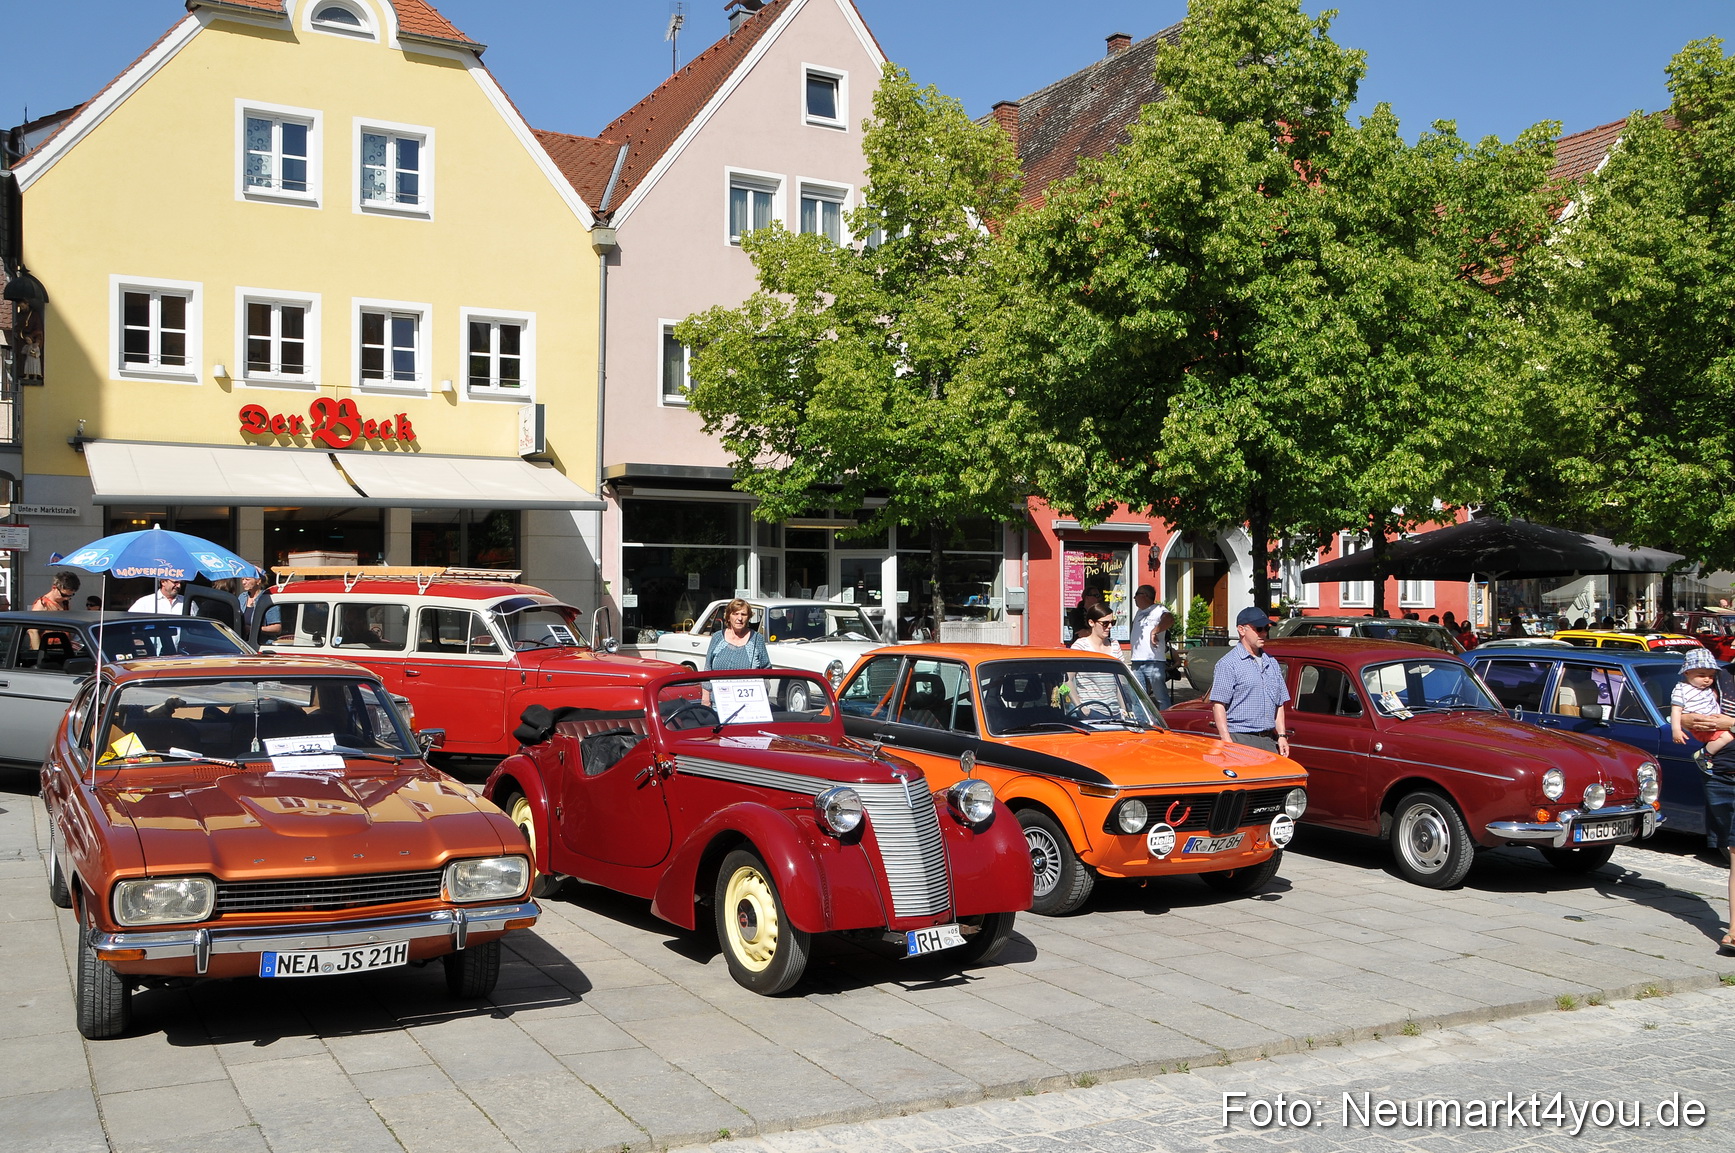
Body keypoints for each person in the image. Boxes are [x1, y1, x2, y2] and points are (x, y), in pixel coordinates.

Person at [1209, 606, 1290, 755]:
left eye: (1267, 629)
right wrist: (1226, 740)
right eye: (1259, 629)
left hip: (1269, 741)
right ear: (1241, 630)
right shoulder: (1228, 664)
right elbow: (1218, 704)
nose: (1264, 633)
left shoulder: (1271, 662)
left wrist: (1282, 736)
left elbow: (1279, 703)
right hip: (1240, 739)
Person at [1673, 648, 1732, 769]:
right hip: (1719, 769)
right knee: (1728, 735)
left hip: (1715, 731)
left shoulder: (1708, 686)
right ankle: (1705, 755)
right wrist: (1680, 725)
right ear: (1687, 673)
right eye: (1702, 675)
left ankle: (1705, 754)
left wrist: (1731, 723)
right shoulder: (1723, 675)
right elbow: (1676, 711)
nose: (1707, 679)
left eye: (1711, 676)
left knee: (1730, 734)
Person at [1126, 584, 1174, 709]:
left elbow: (1169, 619)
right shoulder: (1139, 612)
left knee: (1161, 697)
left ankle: (1166, 722)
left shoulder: (1158, 609)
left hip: (1154, 660)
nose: (1134, 598)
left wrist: (1155, 631)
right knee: (1138, 697)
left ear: (1145, 595)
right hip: (1137, 660)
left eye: (1136, 594)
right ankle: (1142, 722)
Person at [705, 598, 770, 670]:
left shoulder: (757, 639)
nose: (740, 618)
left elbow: (766, 669)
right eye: (735, 614)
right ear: (728, 617)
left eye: (743, 614)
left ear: (748, 617)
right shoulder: (717, 637)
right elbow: (707, 668)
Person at [238, 572, 280, 641]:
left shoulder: (267, 598)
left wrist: (253, 629)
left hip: (261, 644)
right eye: (242, 579)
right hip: (244, 643)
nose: (243, 582)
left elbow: (277, 628)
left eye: (247, 579)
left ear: (258, 581)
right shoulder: (242, 597)